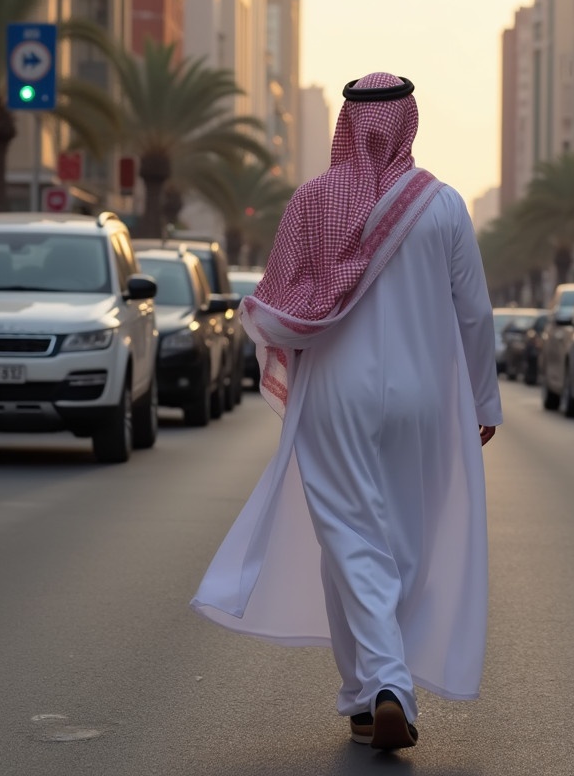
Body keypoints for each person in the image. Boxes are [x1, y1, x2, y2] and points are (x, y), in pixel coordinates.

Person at [191, 72, 502, 751]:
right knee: (402, 541)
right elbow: (474, 314)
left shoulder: (312, 200)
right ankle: (367, 698)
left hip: (335, 394)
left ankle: (384, 685)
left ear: (348, 123)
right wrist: (483, 398)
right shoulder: (443, 205)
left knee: (349, 538)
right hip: (424, 400)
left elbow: (279, 296)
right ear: (408, 123)